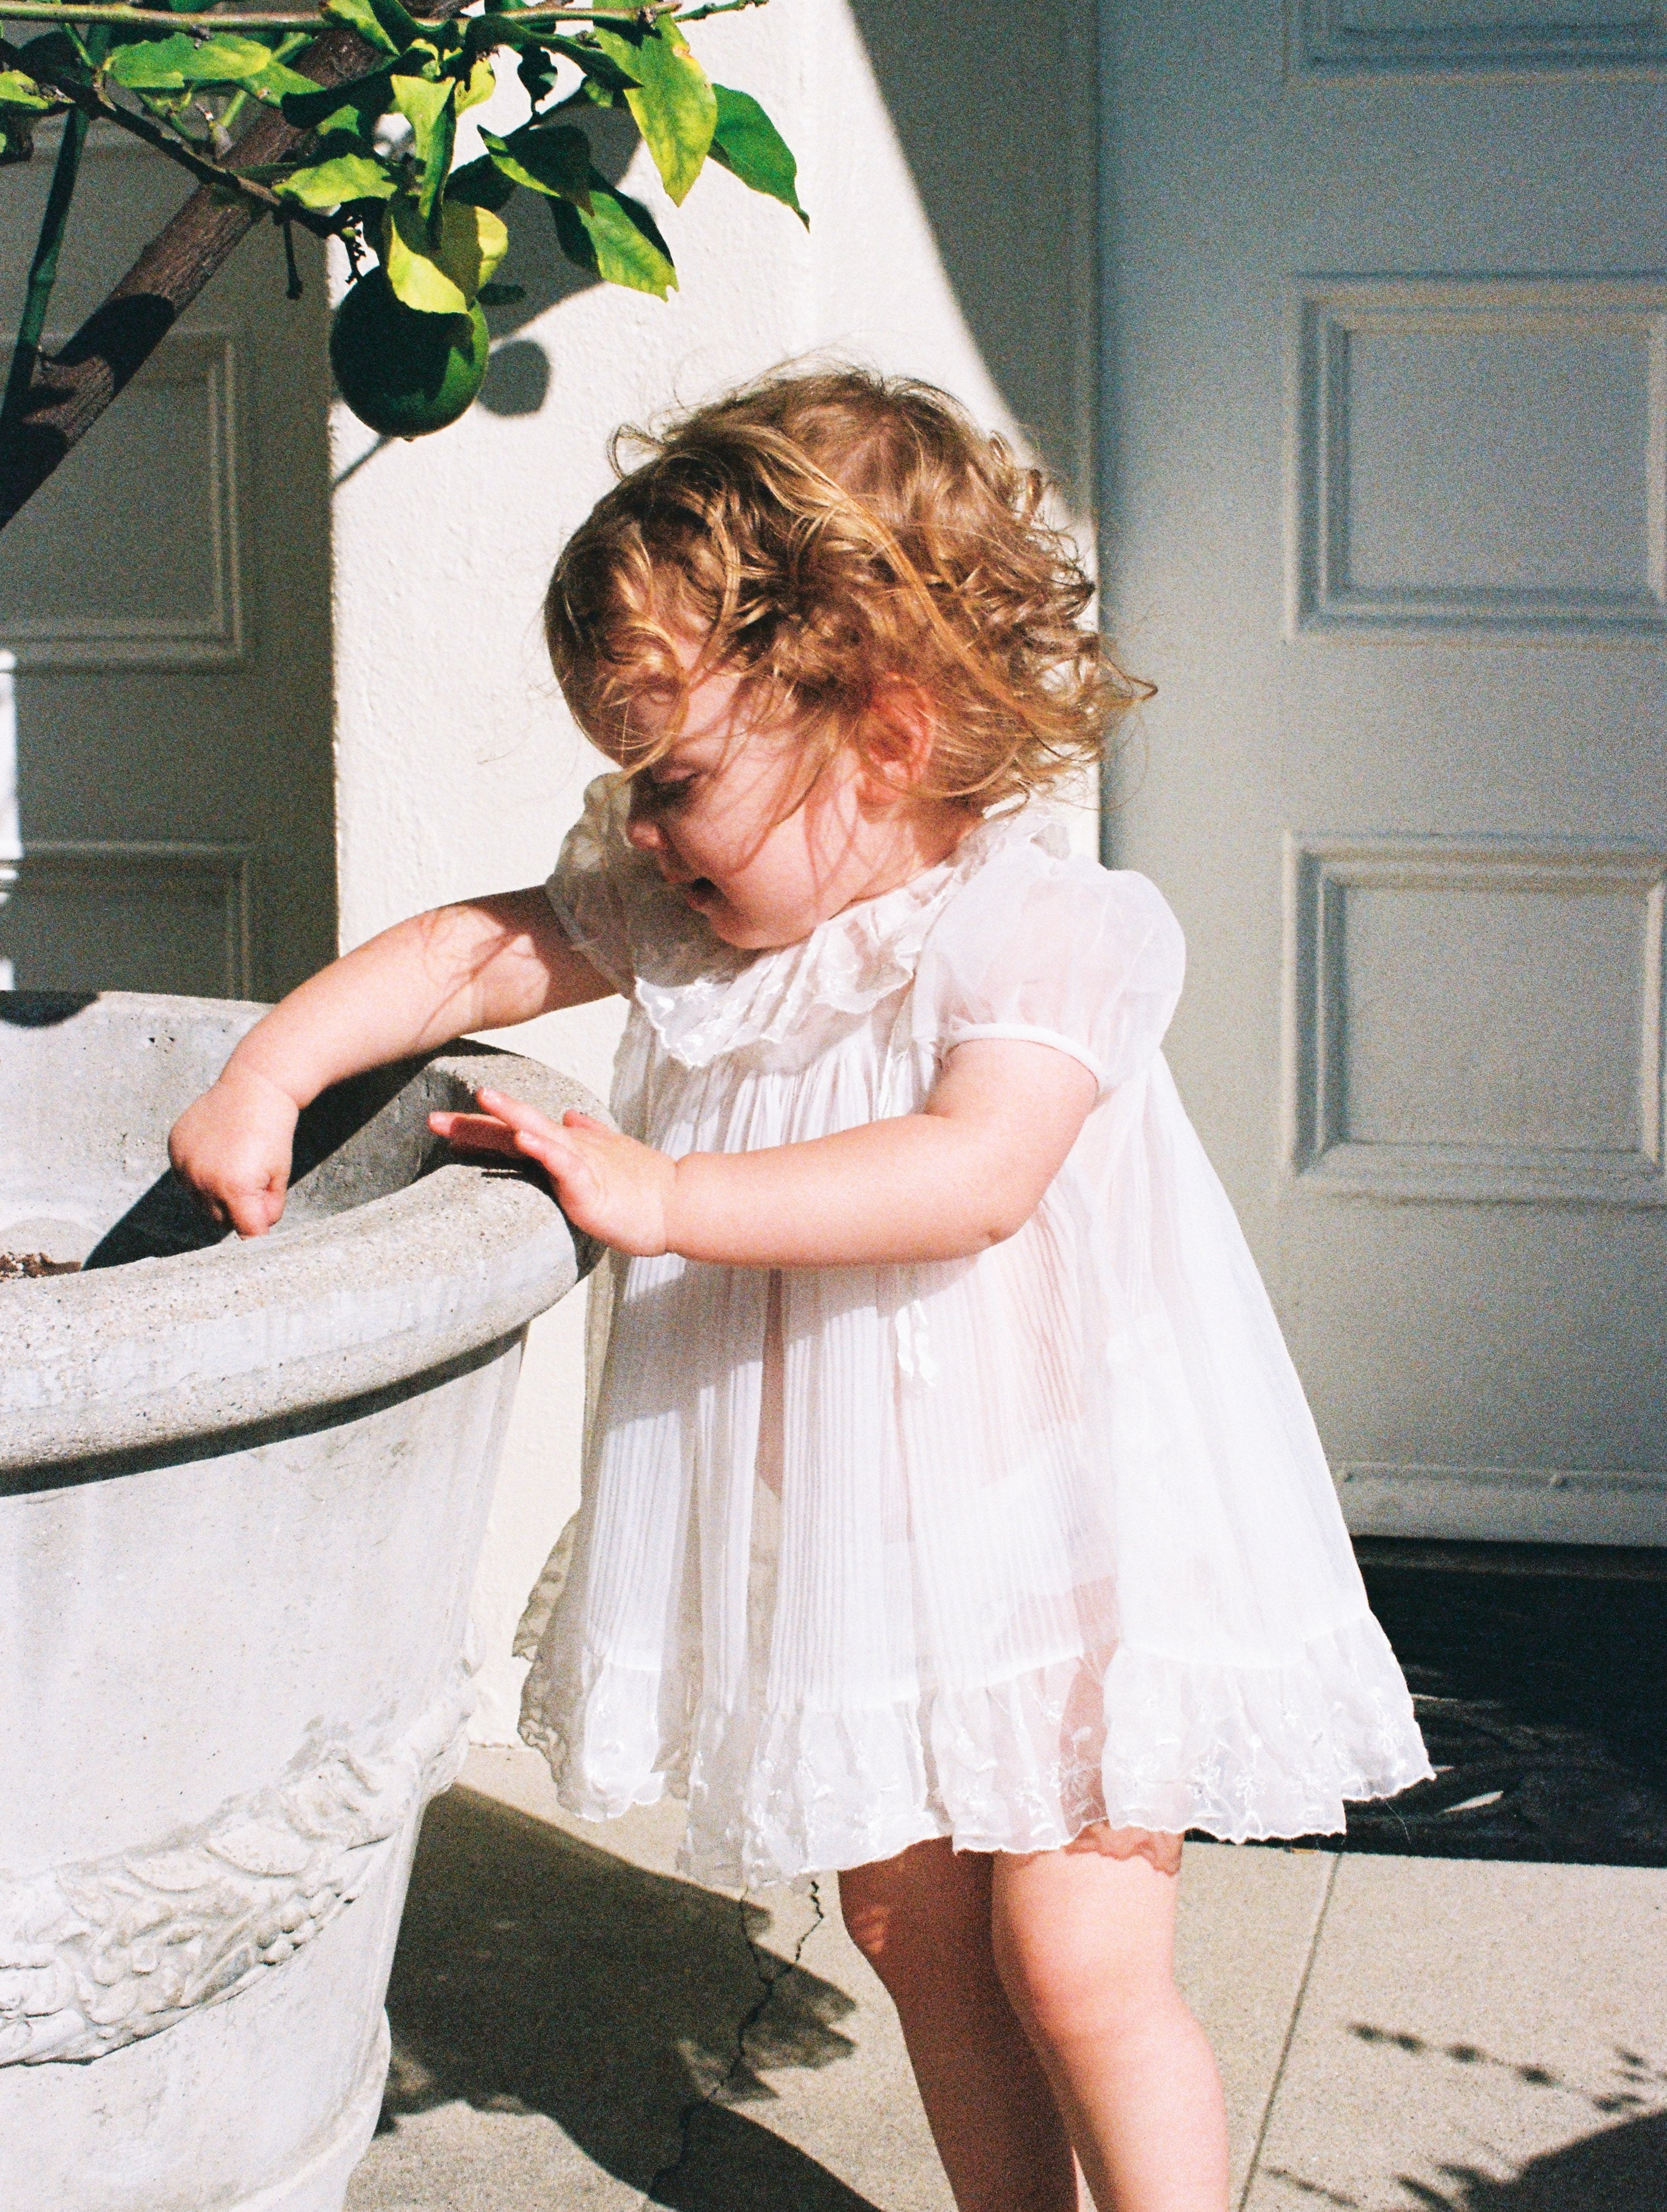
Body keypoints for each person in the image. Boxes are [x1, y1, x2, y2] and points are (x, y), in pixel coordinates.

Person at [170, 368, 1430, 2212]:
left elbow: (977, 1175)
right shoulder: (691, 911)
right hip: (864, 1557)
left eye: (674, 780)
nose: (649, 831)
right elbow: (475, 950)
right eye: (631, 786)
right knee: (915, 1929)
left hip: (1079, 1532)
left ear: (889, 735)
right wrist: (273, 1067)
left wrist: (668, 1189)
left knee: (1077, 1958)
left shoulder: (1035, 930)